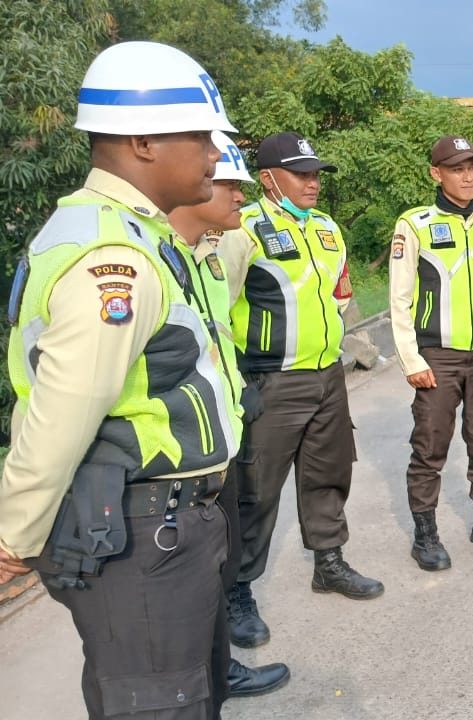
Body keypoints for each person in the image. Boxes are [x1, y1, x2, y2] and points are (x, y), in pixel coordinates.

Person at [0, 41, 238, 718]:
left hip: (157, 521)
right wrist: (13, 538)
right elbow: (65, 408)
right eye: (201, 136)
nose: (215, 154)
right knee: (159, 703)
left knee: (172, 693)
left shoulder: (131, 233)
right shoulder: (115, 256)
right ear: (142, 142)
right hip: (139, 530)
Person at [218, 131, 384, 650]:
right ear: (268, 178)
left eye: (315, 174)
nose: (312, 183)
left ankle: (328, 562)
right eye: (300, 174)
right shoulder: (242, 229)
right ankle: (236, 591)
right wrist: (235, 380)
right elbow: (216, 308)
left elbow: (340, 296)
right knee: (255, 491)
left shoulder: (328, 229)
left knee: (328, 474)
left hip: (327, 375)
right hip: (270, 380)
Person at [167, 131, 291, 697]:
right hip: (173, 453)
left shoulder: (205, 258)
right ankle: (196, 681)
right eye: (229, 184)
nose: (240, 196)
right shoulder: (153, 259)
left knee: (218, 554)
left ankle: (218, 668)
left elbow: (218, 337)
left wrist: (238, 388)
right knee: (184, 575)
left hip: (220, 433)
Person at [387, 135, 473, 571]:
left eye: (472, 168)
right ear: (437, 173)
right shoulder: (415, 224)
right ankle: (425, 535)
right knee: (430, 446)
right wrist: (411, 359)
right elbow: (399, 299)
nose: (468, 177)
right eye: (457, 169)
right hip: (437, 357)